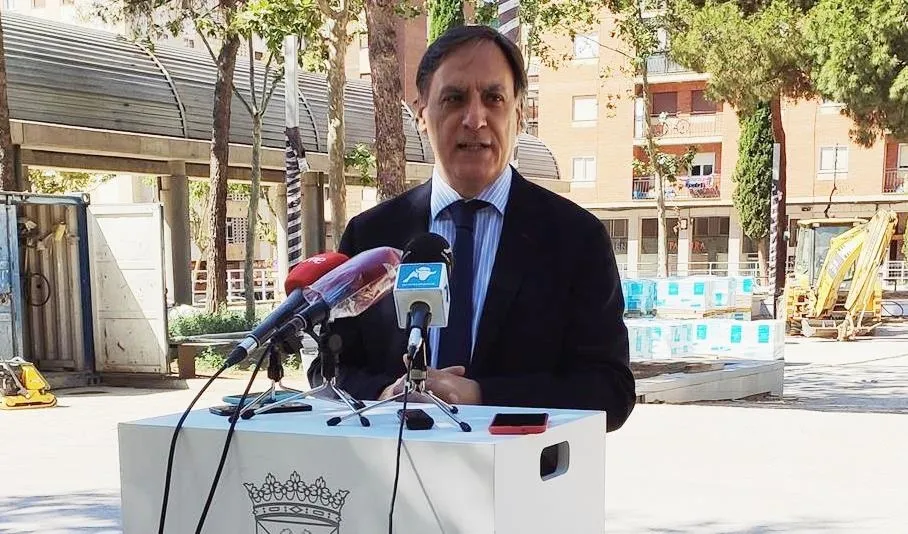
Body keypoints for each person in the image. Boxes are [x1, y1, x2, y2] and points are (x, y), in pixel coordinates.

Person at [309, 24, 635, 432]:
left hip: (520, 485)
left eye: (494, 98)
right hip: (393, 483)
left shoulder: (575, 238)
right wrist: (383, 396)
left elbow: (610, 390)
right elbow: (329, 372)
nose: (475, 119)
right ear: (421, 113)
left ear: (518, 113)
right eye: (454, 98)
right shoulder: (371, 236)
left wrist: (481, 395)